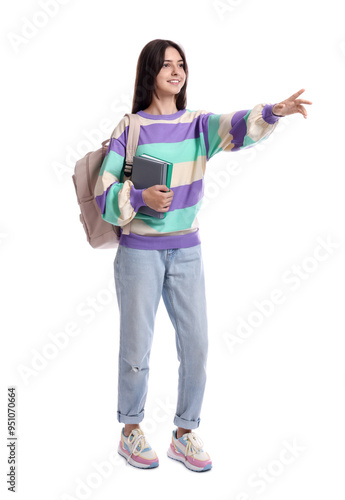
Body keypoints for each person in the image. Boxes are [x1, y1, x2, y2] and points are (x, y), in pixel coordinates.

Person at [95, 39, 312, 472]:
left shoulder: (197, 125)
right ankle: (130, 431)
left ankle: (184, 433)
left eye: (181, 65)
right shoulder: (129, 128)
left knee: (196, 347)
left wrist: (273, 112)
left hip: (187, 251)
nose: (176, 72)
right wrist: (139, 196)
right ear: (149, 74)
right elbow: (104, 193)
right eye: (166, 65)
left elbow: (236, 126)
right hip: (139, 253)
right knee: (136, 350)